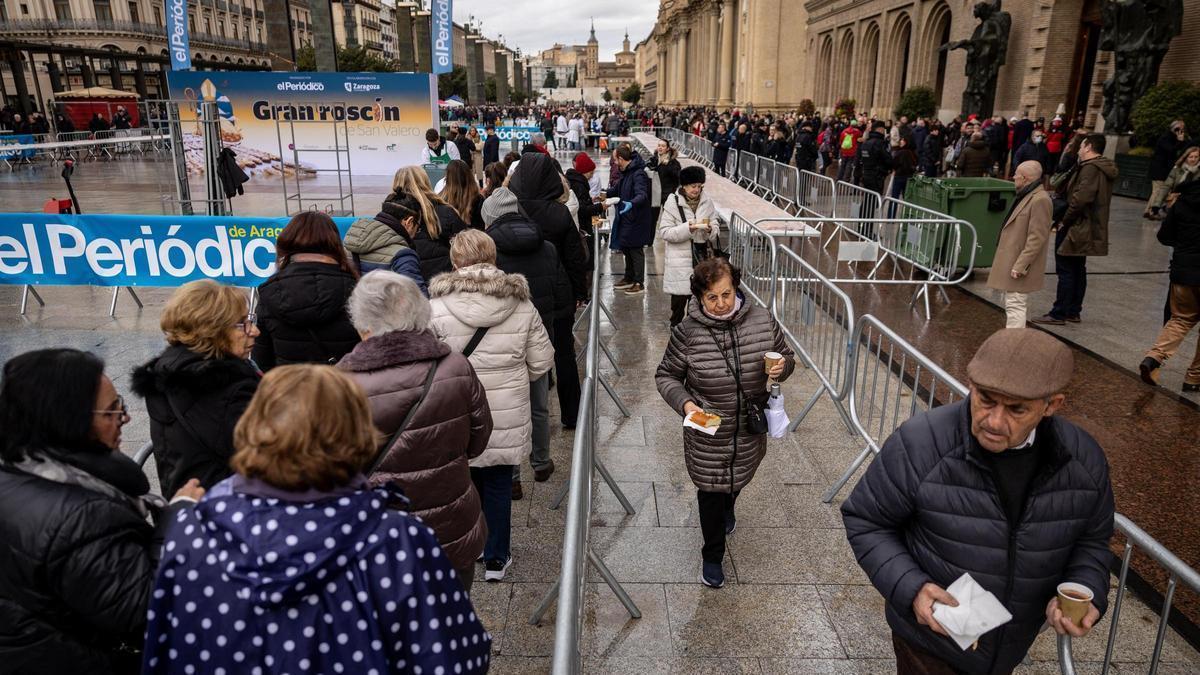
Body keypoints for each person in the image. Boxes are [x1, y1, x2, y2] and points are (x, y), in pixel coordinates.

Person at [140, 365, 493, 674]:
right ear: (355, 434)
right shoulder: (395, 540)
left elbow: (166, 650)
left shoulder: (193, 529)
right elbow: (455, 658)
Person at [841, 328, 1114, 674]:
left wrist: (1086, 588)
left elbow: (1092, 540)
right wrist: (913, 587)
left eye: (1017, 409)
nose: (995, 421)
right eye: (985, 399)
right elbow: (867, 520)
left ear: (1052, 405)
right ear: (970, 384)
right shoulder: (921, 444)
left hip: (1011, 643)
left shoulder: (1083, 460)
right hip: (930, 642)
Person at [0, 348, 203, 674]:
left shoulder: (17, 470)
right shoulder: (83, 516)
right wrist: (178, 518)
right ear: (69, 422)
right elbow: (146, 608)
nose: (125, 417)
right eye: (111, 411)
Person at [338, 271, 492, 589]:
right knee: (453, 622)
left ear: (361, 320)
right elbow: (478, 440)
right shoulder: (455, 367)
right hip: (450, 527)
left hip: (377, 538)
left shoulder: (337, 382)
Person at [656, 258, 796, 588]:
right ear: (699, 299)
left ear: (737, 288)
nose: (721, 304)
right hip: (707, 429)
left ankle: (729, 504)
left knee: (737, 480)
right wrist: (687, 404)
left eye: (727, 294)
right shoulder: (687, 333)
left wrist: (782, 368)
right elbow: (666, 376)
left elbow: (786, 354)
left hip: (749, 427)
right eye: (712, 298)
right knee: (711, 492)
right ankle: (712, 555)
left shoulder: (762, 320)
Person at [429, 230, 555, 582]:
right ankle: (498, 559)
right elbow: (542, 361)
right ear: (494, 259)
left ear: (455, 264)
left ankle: (474, 546)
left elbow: (425, 364)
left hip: (457, 410)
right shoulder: (521, 303)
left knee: (465, 482)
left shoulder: (435, 307)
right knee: (499, 482)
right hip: (505, 411)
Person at [482, 187, 573, 494]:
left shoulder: (489, 251)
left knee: (507, 410)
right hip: (539, 333)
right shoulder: (546, 246)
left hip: (501, 340)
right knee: (539, 404)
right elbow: (562, 294)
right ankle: (542, 461)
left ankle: (512, 478)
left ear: (490, 218)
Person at [132, 280, 260, 495]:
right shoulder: (224, 387)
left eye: (250, 320)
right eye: (242, 323)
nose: (254, 331)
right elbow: (272, 454)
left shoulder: (170, 367)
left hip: (184, 504)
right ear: (212, 329)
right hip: (229, 510)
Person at [508, 152, 587, 431]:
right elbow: (574, 257)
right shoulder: (560, 212)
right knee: (564, 352)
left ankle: (526, 417)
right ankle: (572, 413)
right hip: (557, 290)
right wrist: (581, 290)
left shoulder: (510, 208)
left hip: (519, 292)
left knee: (521, 356)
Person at [252, 212, 360, 368]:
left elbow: (261, 360)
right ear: (335, 244)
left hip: (288, 387)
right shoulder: (356, 290)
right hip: (343, 387)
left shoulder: (270, 292)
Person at [1033, 134, 1117, 326]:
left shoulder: (1090, 169)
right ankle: (1072, 311)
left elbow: (1080, 199)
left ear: (1088, 146)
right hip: (1085, 225)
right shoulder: (1100, 167)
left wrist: (1065, 220)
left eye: (1080, 146)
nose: (1078, 149)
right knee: (1078, 268)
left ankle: (1059, 312)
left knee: (1067, 269)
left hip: (1077, 225)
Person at [1140, 179, 1200, 393]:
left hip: (1184, 271)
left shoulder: (1184, 201)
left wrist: (1185, 246)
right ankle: (1194, 377)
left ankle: (1154, 357)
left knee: (1181, 319)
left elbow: (1164, 235)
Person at [987, 161, 1054, 328]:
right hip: (1014, 260)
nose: (1014, 177)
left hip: (1020, 264)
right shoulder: (1026, 195)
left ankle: (1013, 345)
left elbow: (1037, 237)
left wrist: (1021, 265)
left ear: (1025, 178)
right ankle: (1013, 342)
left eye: (1016, 174)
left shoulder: (1040, 200)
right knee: (1013, 303)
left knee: (1016, 304)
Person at [658, 166, 720, 326]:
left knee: (699, 304)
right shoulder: (672, 203)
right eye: (693, 186)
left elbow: (715, 225)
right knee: (678, 307)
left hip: (701, 261)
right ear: (684, 186)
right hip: (679, 262)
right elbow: (665, 232)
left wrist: (710, 229)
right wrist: (688, 228)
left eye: (700, 186)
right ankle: (676, 332)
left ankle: (695, 335)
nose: (697, 190)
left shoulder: (707, 202)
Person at [392, 165, 471, 281]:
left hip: (403, 283)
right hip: (441, 282)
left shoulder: (389, 215)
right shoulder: (445, 212)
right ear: (425, 182)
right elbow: (467, 248)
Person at [342, 190, 429, 294]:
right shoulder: (403, 256)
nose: (416, 234)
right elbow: (419, 301)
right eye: (417, 228)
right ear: (409, 222)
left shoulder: (349, 241)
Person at [606, 145, 654, 295]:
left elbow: (642, 194)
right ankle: (629, 277)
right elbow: (617, 190)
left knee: (635, 250)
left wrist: (631, 203)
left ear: (621, 158)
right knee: (626, 247)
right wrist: (602, 194)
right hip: (626, 217)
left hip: (637, 219)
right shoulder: (625, 173)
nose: (614, 163)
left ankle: (639, 282)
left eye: (615, 160)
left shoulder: (638, 174)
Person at [1146, 120, 1189, 220]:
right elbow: (1171, 150)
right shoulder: (1165, 138)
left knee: (1157, 191)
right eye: (1180, 128)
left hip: (1165, 170)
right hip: (1159, 170)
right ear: (1174, 128)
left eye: (1183, 128)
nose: (1182, 131)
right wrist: (1180, 141)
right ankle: (1152, 212)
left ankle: (1148, 211)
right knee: (1158, 191)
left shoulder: (1174, 138)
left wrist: (1181, 141)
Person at [1149, 145, 1200, 216]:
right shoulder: (1177, 169)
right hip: (1176, 202)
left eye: (1196, 157)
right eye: (1190, 157)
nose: (1193, 159)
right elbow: (1166, 186)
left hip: (1193, 204)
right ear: (1185, 158)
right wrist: (1156, 205)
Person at [566, 151, 603, 246]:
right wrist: (601, 207)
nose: (592, 175)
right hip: (583, 227)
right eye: (591, 172)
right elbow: (582, 209)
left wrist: (591, 200)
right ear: (585, 172)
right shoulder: (580, 185)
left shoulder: (576, 182)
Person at [648, 139, 682, 228]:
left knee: (668, 219)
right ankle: (649, 241)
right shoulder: (653, 160)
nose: (660, 147)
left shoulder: (673, 162)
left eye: (663, 146)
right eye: (659, 145)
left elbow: (678, 177)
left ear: (667, 149)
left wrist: (672, 190)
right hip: (655, 194)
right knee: (652, 219)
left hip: (667, 194)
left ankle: (669, 238)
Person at [442, 158, 485, 228]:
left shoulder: (442, 200)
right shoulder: (478, 199)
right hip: (474, 237)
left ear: (448, 179)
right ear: (469, 176)